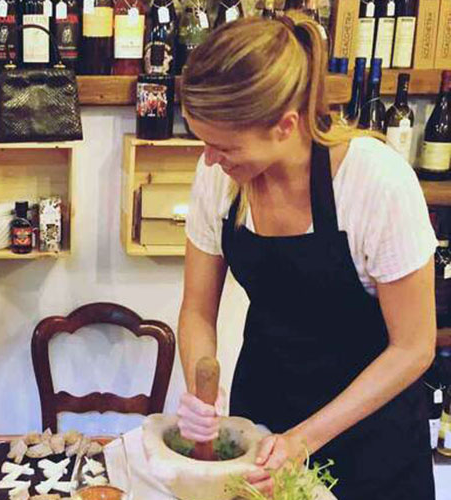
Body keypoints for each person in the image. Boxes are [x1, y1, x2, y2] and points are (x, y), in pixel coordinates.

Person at [175, 15, 436, 500]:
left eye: (224, 146)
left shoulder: (374, 183)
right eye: (203, 142)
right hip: (264, 422)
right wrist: (198, 389)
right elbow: (195, 309)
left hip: (370, 440)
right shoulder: (219, 177)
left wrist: (304, 439)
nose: (209, 158)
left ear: (285, 126)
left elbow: (414, 347)